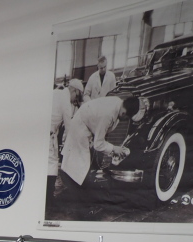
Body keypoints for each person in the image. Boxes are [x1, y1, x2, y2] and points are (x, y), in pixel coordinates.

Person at [60, 95, 139, 217]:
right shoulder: (108, 114)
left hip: (87, 126)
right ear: (124, 113)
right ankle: (80, 206)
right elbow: (98, 144)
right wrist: (114, 149)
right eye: (126, 118)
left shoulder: (118, 103)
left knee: (79, 166)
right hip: (81, 128)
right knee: (80, 168)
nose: (125, 120)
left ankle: (80, 197)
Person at [47, 79, 84, 211]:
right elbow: (69, 128)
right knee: (52, 164)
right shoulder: (65, 101)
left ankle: (46, 197)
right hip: (48, 133)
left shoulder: (55, 92)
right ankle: (49, 200)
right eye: (76, 97)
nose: (74, 101)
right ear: (74, 90)